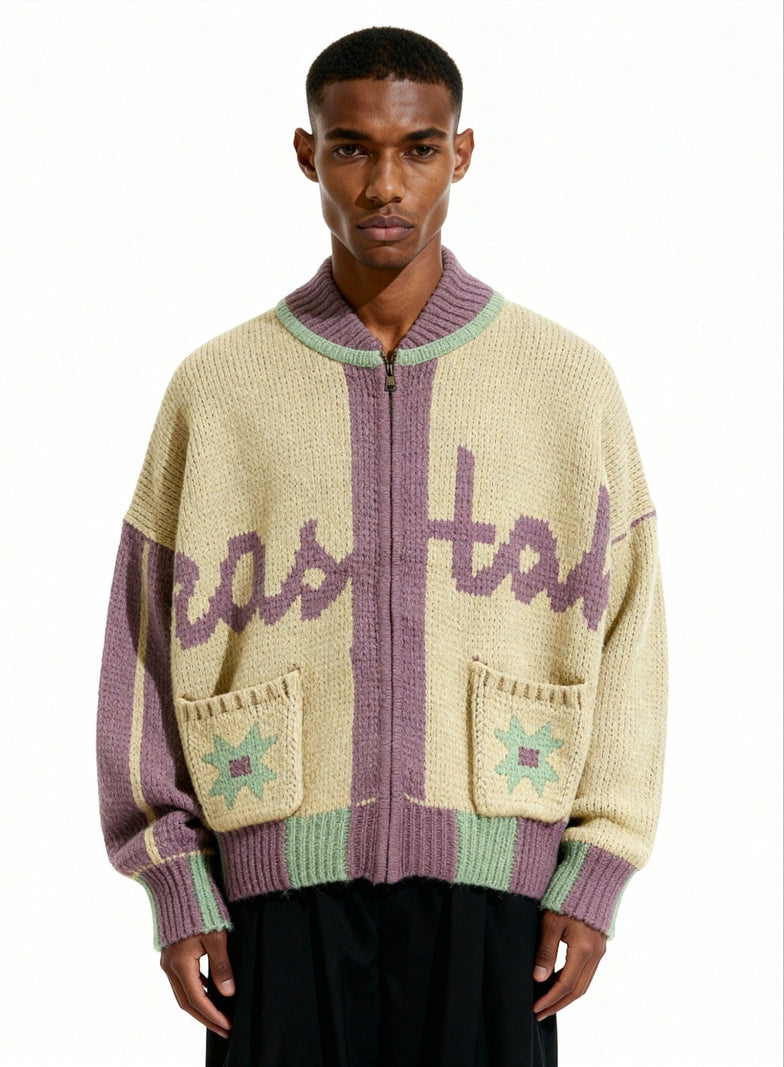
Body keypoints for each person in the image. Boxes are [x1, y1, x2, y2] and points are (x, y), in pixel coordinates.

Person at [95, 25, 668, 1067]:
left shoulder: (565, 384)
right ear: (307, 154)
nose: (384, 185)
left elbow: (630, 634)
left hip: (497, 898)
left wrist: (595, 871)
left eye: (418, 148)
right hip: (273, 903)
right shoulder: (218, 390)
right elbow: (142, 641)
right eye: (352, 148)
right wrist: (176, 880)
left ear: (461, 155)